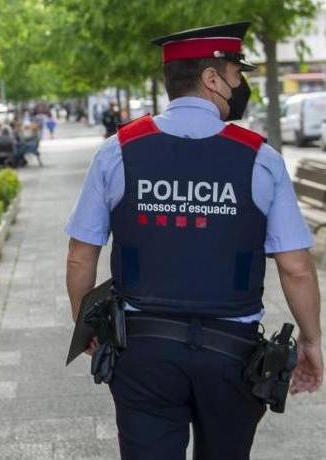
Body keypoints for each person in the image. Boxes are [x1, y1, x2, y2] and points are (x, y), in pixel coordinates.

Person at [65, 22, 322, 460]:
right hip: (233, 356)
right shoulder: (259, 156)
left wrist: (88, 327)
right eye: (237, 75)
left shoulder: (117, 150)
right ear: (212, 78)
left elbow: (80, 257)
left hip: (142, 352)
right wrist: (313, 341)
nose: (241, 85)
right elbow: (295, 267)